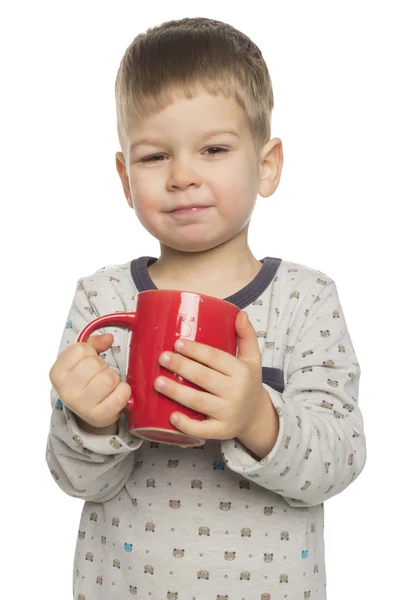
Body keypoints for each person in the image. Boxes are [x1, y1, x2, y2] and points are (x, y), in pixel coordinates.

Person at [46, 16, 367, 600]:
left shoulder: (306, 299)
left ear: (266, 165)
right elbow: (74, 479)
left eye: (214, 149)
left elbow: (339, 460)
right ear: (124, 178)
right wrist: (92, 423)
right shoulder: (102, 300)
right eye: (153, 158)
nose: (183, 176)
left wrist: (257, 419)